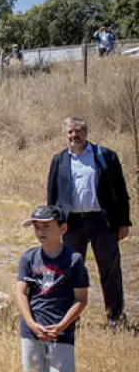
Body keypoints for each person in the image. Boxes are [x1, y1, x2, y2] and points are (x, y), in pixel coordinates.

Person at [47, 116, 131, 327]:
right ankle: (70, 319)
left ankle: (115, 317)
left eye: (78, 131)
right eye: (70, 132)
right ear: (65, 134)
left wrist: (123, 222)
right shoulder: (59, 160)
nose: (74, 136)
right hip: (72, 223)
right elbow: (52, 195)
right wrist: (53, 224)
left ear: (86, 133)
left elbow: (120, 191)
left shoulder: (104, 156)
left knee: (110, 270)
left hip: (102, 221)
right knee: (70, 270)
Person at [16, 206, 89, 372]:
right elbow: (21, 293)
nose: (41, 231)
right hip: (32, 331)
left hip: (61, 332)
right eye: (37, 227)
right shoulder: (29, 258)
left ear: (62, 229)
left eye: (47, 226)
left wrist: (61, 326)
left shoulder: (74, 260)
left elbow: (81, 299)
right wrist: (32, 324)